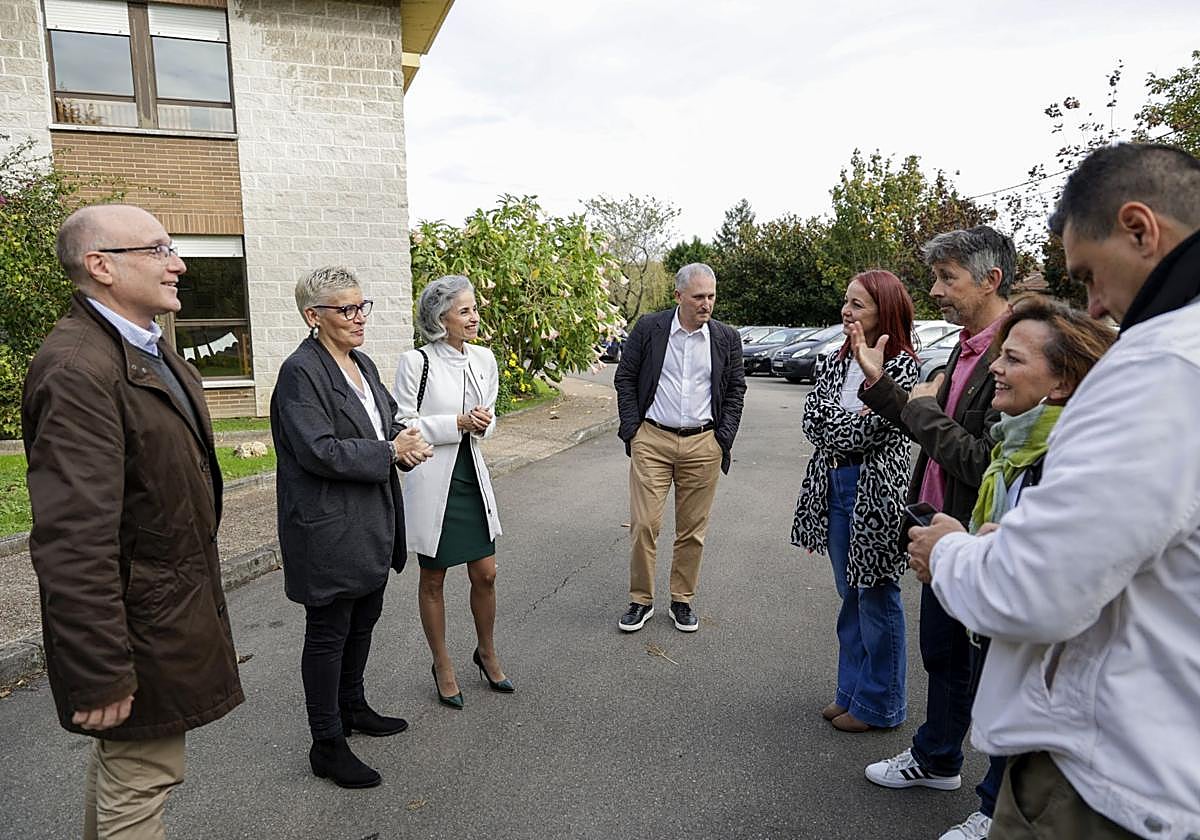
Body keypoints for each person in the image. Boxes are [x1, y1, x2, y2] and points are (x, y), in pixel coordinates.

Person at [908, 143, 1200, 840]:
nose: (1093, 304)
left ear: (1140, 228)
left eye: (1089, 276)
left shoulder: (1158, 369)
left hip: (1105, 780)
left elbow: (1033, 592)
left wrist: (952, 553)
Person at [23, 204, 243, 838]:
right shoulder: (79, 371)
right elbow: (73, 540)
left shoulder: (144, 351)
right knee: (141, 774)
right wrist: (100, 671)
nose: (177, 263)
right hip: (139, 624)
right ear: (101, 267)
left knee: (130, 767)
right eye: (157, 249)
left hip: (160, 611)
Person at [930, 297, 1114, 840]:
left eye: (1011, 359)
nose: (994, 369)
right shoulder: (1016, 443)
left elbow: (1042, 587)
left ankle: (993, 814)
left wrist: (959, 552)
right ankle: (993, 807)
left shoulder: (1068, 455)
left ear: (1060, 383)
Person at [851, 226, 1014, 790]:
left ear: (991, 279)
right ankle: (938, 760)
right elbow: (931, 431)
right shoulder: (963, 346)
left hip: (983, 542)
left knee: (997, 678)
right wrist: (882, 383)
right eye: (936, 277)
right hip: (939, 537)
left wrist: (922, 411)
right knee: (942, 658)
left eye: (949, 278)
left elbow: (981, 460)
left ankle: (997, 805)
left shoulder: (1015, 355)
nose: (937, 291)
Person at [271, 266, 433, 789]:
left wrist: (404, 444)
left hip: (369, 521)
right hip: (327, 526)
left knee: (363, 621)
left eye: (363, 306)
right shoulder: (301, 372)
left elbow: (382, 423)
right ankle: (327, 742)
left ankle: (353, 706)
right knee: (328, 634)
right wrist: (390, 451)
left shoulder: (360, 362)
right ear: (312, 317)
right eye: (346, 309)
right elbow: (318, 449)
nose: (359, 318)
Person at [792, 270, 919, 733]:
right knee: (851, 595)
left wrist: (840, 425)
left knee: (878, 594)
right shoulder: (834, 360)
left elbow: (874, 430)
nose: (847, 311)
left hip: (874, 490)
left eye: (858, 304)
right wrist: (842, 425)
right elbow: (811, 421)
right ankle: (850, 693)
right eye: (846, 302)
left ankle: (880, 705)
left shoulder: (901, 366)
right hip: (834, 483)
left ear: (884, 311)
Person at [393, 274, 509, 709]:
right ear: (441, 319)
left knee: (486, 572)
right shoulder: (416, 362)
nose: (474, 317)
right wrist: (456, 424)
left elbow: (491, 417)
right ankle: (442, 663)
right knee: (435, 577)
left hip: (471, 474)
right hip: (433, 476)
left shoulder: (484, 359)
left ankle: (486, 651)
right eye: (464, 311)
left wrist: (482, 422)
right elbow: (403, 424)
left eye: (474, 308)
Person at [613, 262, 746, 632]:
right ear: (679, 296)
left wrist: (723, 439)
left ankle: (681, 600)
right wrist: (632, 430)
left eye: (712, 296)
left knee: (692, 530)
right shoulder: (650, 329)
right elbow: (625, 377)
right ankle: (641, 600)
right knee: (644, 524)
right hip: (652, 439)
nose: (707, 304)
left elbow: (736, 390)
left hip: (704, 443)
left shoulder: (725, 338)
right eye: (699, 296)